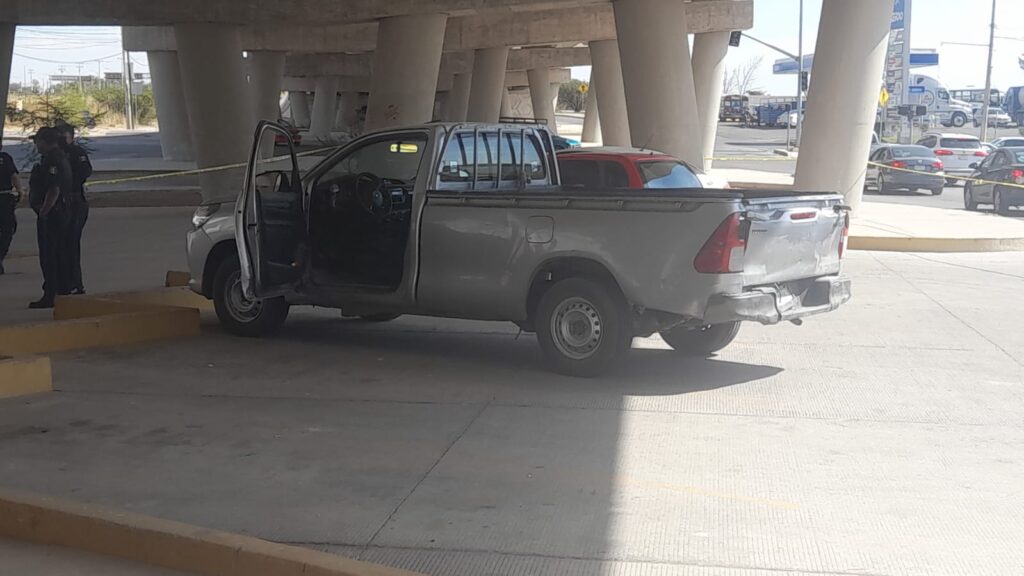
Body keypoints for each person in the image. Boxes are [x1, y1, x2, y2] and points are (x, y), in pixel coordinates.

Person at [28, 127, 73, 309]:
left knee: (50, 255)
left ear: (45, 141)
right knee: (59, 252)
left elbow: (54, 189)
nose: (35, 145)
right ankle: (62, 290)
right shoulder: (59, 157)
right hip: (60, 212)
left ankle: (51, 294)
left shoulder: (52, 161)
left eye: (37, 141)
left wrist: (44, 212)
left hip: (53, 215)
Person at [56, 123, 92, 294]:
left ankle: (75, 282)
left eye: (62, 134)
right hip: (61, 204)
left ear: (70, 136)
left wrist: (69, 186)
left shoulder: (76, 153)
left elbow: (85, 171)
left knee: (71, 244)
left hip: (75, 203)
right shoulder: (55, 155)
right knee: (61, 245)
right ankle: (65, 281)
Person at [0, 143, 25, 275]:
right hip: (4, 197)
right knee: (7, 230)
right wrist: (20, 191)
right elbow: (14, 176)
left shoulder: (5, 158)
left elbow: (14, 176)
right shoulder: (5, 158)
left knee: (8, 229)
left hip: (4, 197)